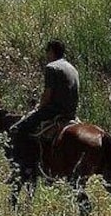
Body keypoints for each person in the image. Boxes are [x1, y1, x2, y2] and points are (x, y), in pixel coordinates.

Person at [8, 39, 80, 171]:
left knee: (18, 129)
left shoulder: (51, 67)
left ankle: (23, 166)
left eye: (47, 51)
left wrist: (39, 107)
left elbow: (48, 94)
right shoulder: (72, 68)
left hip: (54, 111)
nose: (47, 55)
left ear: (51, 51)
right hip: (71, 112)